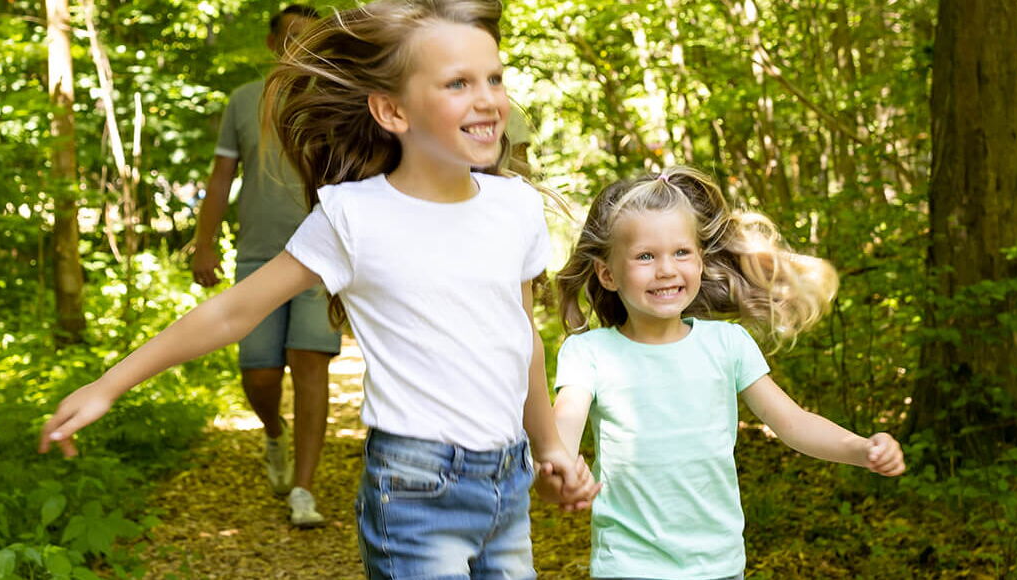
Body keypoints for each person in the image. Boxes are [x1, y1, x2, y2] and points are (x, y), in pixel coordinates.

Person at [38, 0, 598, 576]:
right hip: (416, 488)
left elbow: (520, 336)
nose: (487, 100)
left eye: (494, 78)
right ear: (391, 110)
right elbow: (233, 314)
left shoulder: (515, 207)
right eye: (458, 83)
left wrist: (549, 445)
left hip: (507, 480)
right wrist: (108, 385)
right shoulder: (354, 215)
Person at [550, 167, 907, 580]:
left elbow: (792, 422)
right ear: (607, 273)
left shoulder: (727, 345)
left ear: (700, 261)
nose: (666, 269)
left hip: (718, 566)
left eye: (681, 252)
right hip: (628, 566)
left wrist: (859, 449)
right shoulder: (590, 353)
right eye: (646, 256)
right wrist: (561, 465)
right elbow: (564, 425)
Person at [188, 3, 335, 528]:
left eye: (309, 37)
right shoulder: (243, 101)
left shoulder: (335, 100)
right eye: (291, 36)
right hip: (257, 253)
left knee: (309, 359)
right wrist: (204, 243)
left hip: (324, 255)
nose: (299, 46)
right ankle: (274, 433)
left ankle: (304, 488)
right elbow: (221, 178)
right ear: (274, 44)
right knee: (260, 370)